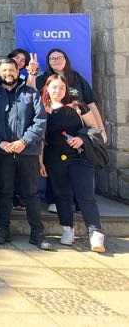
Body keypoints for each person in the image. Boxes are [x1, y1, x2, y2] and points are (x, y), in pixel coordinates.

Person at [0, 58, 51, 250]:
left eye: (12, 70)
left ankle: (37, 233)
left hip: (28, 151)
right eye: (5, 70)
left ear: (18, 71)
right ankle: (2, 229)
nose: (9, 73)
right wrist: (0, 143)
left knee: (30, 193)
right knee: (5, 192)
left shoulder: (31, 93)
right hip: (3, 151)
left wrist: (23, 141)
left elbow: (40, 121)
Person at [41, 74, 105, 252]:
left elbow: (94, 128)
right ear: (47, 88)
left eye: (61, 88)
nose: (58, 91)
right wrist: (40, 162)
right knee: (61, 195)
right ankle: (67, 229)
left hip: (79, 156)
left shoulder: (78, 106)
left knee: (86, 195)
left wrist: (81, 138)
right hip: (54, 158)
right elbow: (41, 139)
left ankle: (95, 232)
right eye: (54, 87)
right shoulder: (41, 108)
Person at [36, 48, 106, 139]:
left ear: (66, 60)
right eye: (52, 58)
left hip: (79, 130)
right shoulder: (42, 80)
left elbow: (91, 104)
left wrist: (101, 130)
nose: (56, 60)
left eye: (60, 57)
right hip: (53, 129)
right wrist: (32, 73)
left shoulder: (77, 78)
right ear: (48, 62)